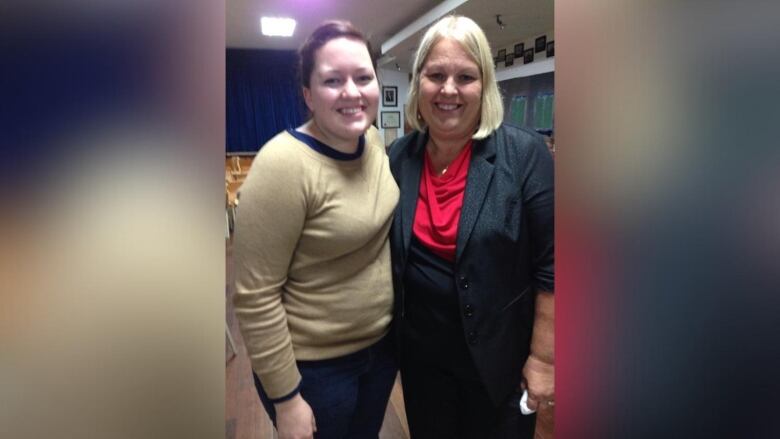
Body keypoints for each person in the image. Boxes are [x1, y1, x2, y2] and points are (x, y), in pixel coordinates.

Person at [388, 15, 554, 438]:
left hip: (501, 365)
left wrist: (545, 360)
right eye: (436, 75)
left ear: (485, 87)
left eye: (465, 76)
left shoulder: (525, 154)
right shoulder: (399, 156)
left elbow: (554, 266)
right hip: (423, 365)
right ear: (417, 83)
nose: (448, 90)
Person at [233, 20, 400, 439]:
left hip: (380, 351)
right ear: (307, 94)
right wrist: (287, 399)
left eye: (363, 77)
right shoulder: (283, 165)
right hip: (316, 369)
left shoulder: (375, 142)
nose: (351, 92)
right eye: (332, 80)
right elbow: (256, 297)